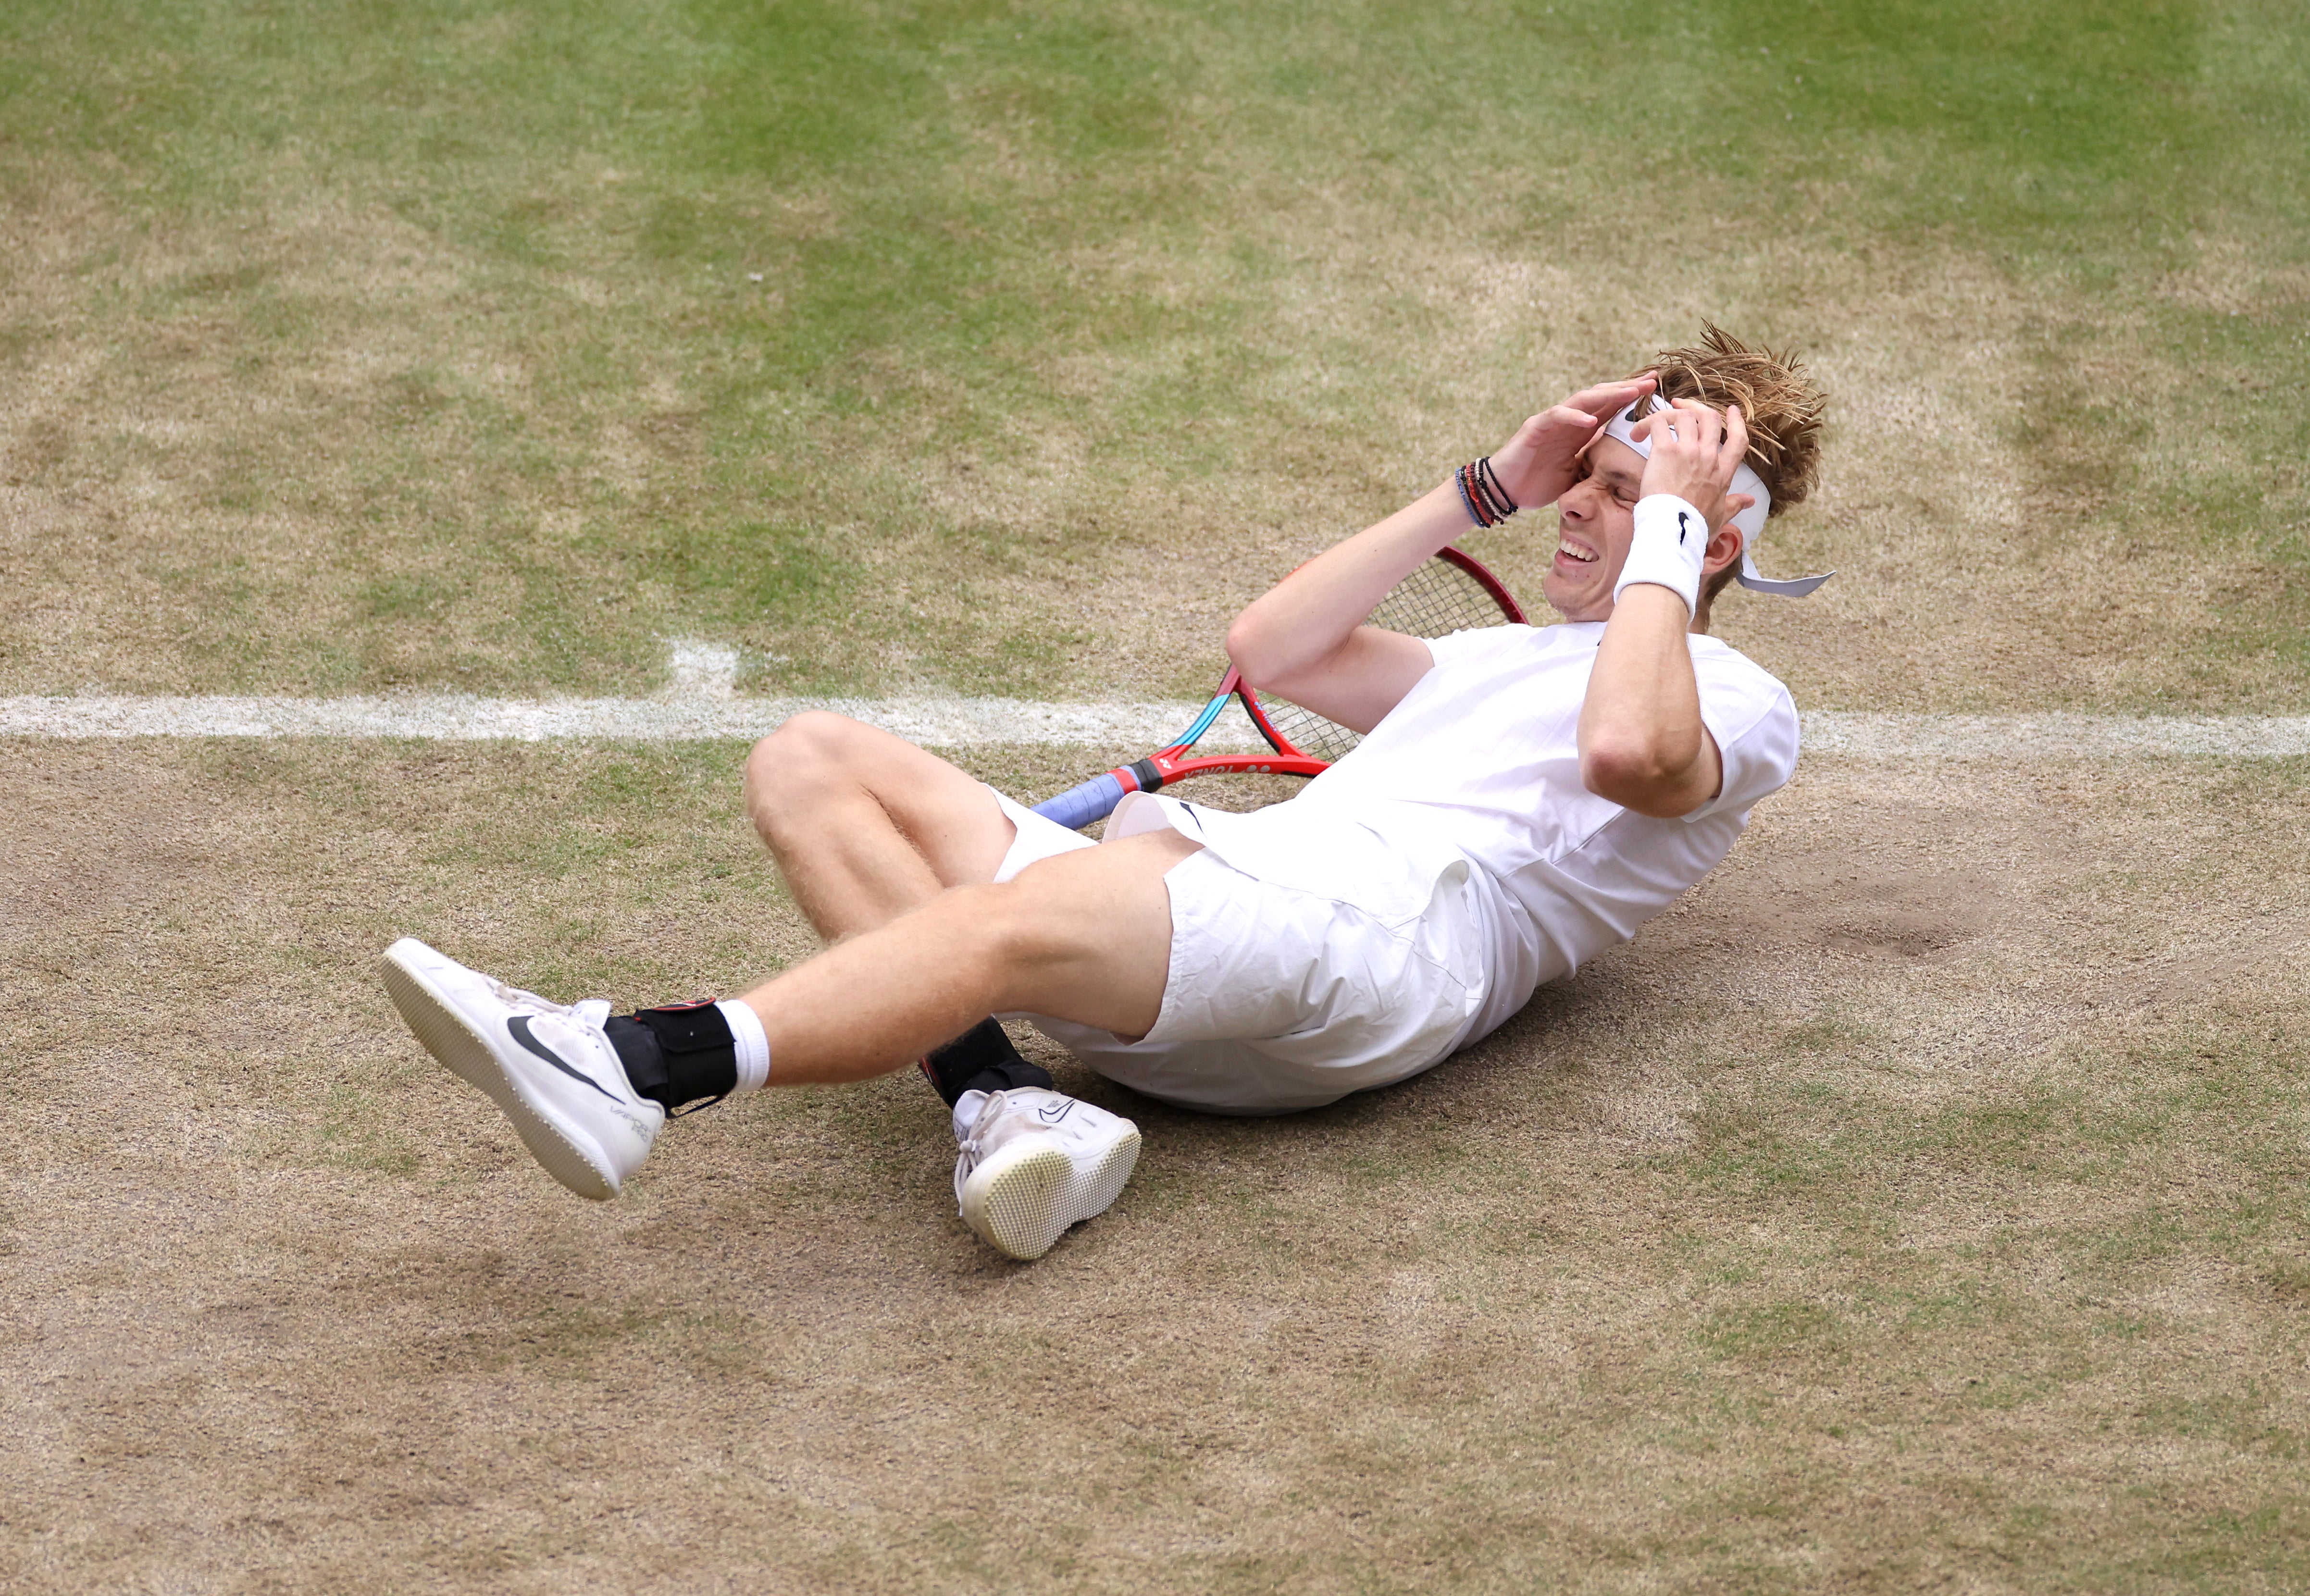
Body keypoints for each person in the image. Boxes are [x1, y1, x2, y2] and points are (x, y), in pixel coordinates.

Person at [380, 325, 1829, 1262]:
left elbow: (1631, 757)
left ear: (1709, 547)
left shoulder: (1737, 703)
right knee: (810, 758)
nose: (1586, 502)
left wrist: (1674, 531)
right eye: (1589, 474)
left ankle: (639, 1064)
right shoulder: (1498, 659)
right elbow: (1277, 649)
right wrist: (1481, 489)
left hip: (1373, 957)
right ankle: (1013, 1109)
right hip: (1228, 904)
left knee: (1055, 898)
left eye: (1625, 495)